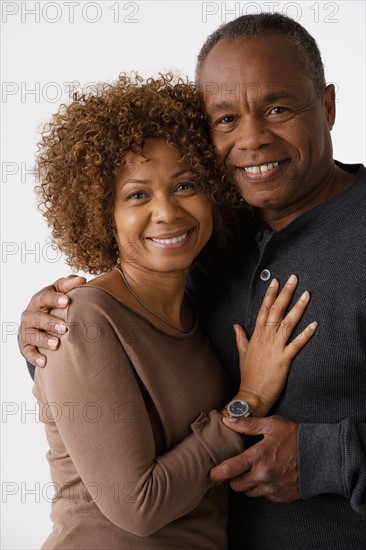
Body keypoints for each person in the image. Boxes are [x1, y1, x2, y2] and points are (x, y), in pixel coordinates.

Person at [19, 12, 366, 550]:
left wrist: (324, 459)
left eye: (277, 107)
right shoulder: (208, 247)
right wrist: (49, 345)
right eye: (225, 119)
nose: (251, 138)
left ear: (327, 106)